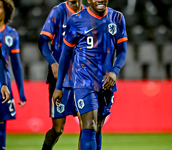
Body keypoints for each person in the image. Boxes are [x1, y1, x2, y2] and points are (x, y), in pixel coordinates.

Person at [53, 0, 128, 149]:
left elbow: (122, 51)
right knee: (90, 125)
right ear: (89, 0)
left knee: (98, 126)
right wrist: (59, 86)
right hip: (83, 81)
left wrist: (114, 72)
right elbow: (65, 56)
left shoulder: (117, 18)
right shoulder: (75, 20)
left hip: (107, 82)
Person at [38, 1, 86, 150]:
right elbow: (42, 41)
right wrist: (53, 63)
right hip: (61, 79)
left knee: (86, 127)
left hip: (83, 78)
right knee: (58, 129)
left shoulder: (89, 14)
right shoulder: (58, 12)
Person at [0, 0, 26, 149]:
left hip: (4, 83)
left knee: (2, 122)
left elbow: (15, 65)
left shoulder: (11, 34)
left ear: (6, 11)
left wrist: (21, 92)